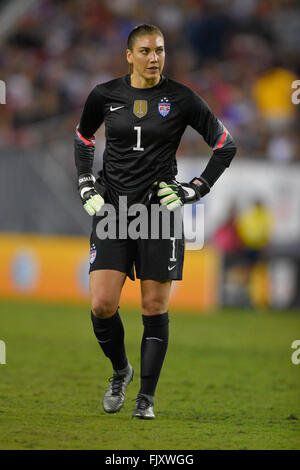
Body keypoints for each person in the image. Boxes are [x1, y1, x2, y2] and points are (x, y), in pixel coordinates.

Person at [74, 24, 237, 420]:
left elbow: (224, 145)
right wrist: (84, 183)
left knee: (152, 306)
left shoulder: (181, 98)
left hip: (157, 213)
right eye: (146, 51)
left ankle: (145, 398)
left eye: (160, 50)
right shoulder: (104, 95)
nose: (154, 58)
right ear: (129, 55)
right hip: (113, 209)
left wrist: (194, 189)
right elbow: (83, 139)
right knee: (101, 304)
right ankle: (120, 371)